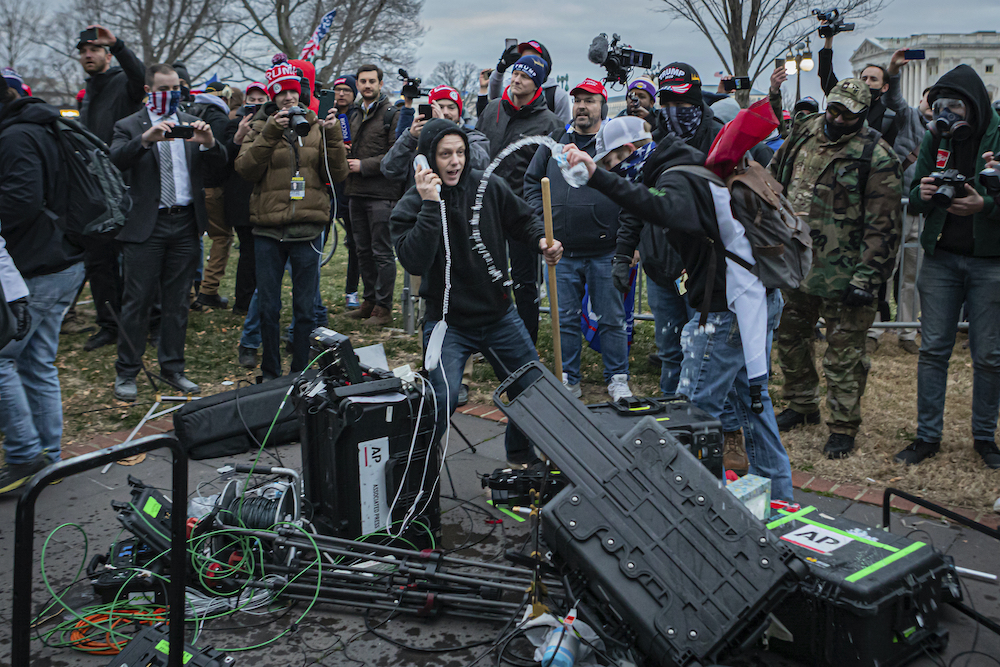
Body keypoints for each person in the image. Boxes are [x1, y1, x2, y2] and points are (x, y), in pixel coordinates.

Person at [561, 134, 795, 501]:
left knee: (691, 417)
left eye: (613, 163)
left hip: (726, 310)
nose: (617, 173)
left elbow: (661, 208)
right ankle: (781, 502)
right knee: (755, 406)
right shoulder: (693, 165)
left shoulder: (675, 176)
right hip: (754, 299)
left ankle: (693, 512)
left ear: (629, 152)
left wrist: (598, 177)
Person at [390, 119, 563, 465]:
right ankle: (418, 473)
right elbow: (414, 260)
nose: (455, 162)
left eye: (460, 153)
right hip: (447, 323)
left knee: (531, 388)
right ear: (426, 159)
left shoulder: (487, 185)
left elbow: (523, 219)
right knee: (441, 397)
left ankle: (520, 457)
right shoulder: (411, 203)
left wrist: (541, 240)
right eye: (445, 154)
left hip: (499, 316)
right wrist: (428, 204)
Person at [769, 78, 903, 459]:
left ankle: (843, 425)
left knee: (843, 354)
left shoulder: (877, 156)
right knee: (790, 337)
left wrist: (867, 279)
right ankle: (801, 404)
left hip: (844, 273)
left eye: (846, 113)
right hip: (795, 262)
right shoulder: (805, 131)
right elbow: (776, 177)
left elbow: (884, 225)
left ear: (861, 116)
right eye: (833, 108)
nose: (836, 116)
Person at [893, 65, 1000, 469]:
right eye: (939, 106)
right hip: (940, 259)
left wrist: (984, 205)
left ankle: (985, 438)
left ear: (973, 106)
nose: (947, 115)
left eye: (954, 106)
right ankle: (927, 437)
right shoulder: (935, 137)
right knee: (933, 350)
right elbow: (918, 199)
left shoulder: (998, 134)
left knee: (989, 355)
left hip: (990, 261)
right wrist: (921, 193)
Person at [109, 64, 227, 402]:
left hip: (186, 223)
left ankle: (173, 369)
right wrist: (144, 140)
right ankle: (127, 371)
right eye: (164, 88)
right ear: (149, 90)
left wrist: (209, 143)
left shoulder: (191, 121)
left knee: (177, 303)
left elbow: (220, 163)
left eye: (177, 87)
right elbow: (114, 159)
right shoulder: (128, 124)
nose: (172, 94)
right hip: (147, 225)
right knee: (137, 302)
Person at [234, 55, 349, 380]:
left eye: (294, 90)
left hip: (308, 229)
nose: (289, 97)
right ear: (273, 95)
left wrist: (332, 135)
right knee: (269, 308)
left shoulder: (315, 125)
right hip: (268, 232)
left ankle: (301, 371)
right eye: (282, 91)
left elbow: (337, 174)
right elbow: (245, 170)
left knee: (305, 309)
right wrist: (270, 132)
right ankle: (270, 371)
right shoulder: (258, 126)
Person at [0, 81, 86, 492]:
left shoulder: (16, 136)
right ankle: (48, 459)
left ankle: (23, 454)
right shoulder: (43, 126)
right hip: (61, 260)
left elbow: (22, 200)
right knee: (36, 362)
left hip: (37, 268)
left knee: (1, 360)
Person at [524, 78, 632, 401]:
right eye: (578, 100)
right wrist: (542, 225)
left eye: (590, 100)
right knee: (564, 319)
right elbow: (532, 182)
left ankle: (617, 378)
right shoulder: (554, 142)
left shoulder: (612, 146)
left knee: (612, 318)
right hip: (561, 252)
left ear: (602, 105)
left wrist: (630, 241)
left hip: (605, 249)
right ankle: (568, 377)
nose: (582, 106)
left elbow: (632, 196)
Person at [476, 53, 562, 343]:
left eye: (524, 76)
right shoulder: (491, 110)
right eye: (515, 73)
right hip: (486, 208)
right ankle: (485, 337)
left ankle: (526, 341)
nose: (516, 79)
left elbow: (551, 171)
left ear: (536, 83)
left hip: (523, 213)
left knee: (525, 282)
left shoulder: (549, 122)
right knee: (486, 275)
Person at [76, 24, 146, 352]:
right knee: (98, 260)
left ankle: (146, 321)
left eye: (94, 49)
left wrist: (118, 44)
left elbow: (139, 75)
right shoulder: (90, 89)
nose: (88, 54)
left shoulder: (124, 82)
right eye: (83, 50)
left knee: (134, 261)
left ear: (106, 54)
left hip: (128, 185)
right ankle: (109, 324)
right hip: (94, 190)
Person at [343, 64, 402, 327]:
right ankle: (368, 301)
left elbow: (396, 154)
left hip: (381, 192)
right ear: (357, 83)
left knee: (381, 251)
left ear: (380, 84)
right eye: (362, 81)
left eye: (371, 81)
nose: (367, 85)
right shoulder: (353, 113)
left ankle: (384, 308)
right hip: (355, 191)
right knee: (361, 250)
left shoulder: (393, 114)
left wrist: (363, 165)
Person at [381, 84, 490, 185]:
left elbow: (481, 164)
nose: (446, 112)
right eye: (440, 107)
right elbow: (390, 170)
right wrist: (410, 138)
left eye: (451, 107)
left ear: (459, 111)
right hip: (420, 199)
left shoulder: (474, 137)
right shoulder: (416, 136)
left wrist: (445, 128)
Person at [190, 81, 236, 309]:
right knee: (222, 237)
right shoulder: (218, 119)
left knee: (190, 239)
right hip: (212, 187)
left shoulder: (192, 112)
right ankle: (208, 290)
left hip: (192, 187)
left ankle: (187, 292)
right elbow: (220, 157)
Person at [480, 40, 571, 124]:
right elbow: (494, 96)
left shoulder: (557, 95)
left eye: (533, 59)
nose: (527, 63)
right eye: (524, 58)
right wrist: (501, 68)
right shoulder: (511, 85)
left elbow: (564, 128)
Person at [331, 74, 361, 310]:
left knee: (355, 241)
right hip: (327, 183)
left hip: (350, 184)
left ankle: (352, 290)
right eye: (338, 90)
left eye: (346, 90)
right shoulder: (325, 113)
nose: (341, 94)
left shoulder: (358, 115)